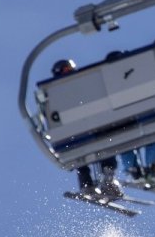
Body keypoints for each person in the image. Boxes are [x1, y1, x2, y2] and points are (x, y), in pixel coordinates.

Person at [51, 59, 123, 198]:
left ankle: (108, 179)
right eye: (66, 70)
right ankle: (87, 185)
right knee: (79, 156)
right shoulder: (54, 92)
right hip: (73, 132)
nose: (69, 73)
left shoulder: (81, 84)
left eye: (70, 69)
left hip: (90, 126)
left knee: (105, 145)